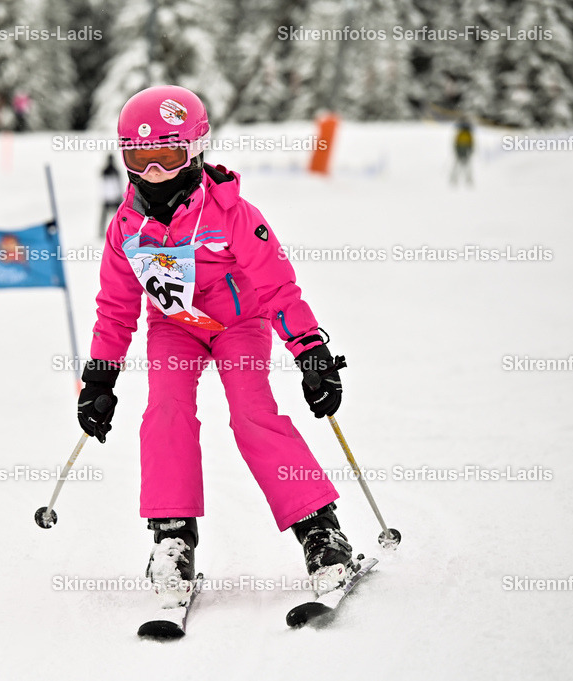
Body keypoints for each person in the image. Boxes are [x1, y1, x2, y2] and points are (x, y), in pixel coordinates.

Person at [76, 85, 354, 609]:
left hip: (238, 323)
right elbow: (115, 308)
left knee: (252, 412)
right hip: (175, 327)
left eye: (167, 156)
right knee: (164, 410)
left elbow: (277, 287)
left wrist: (310, 349)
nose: (152, 172)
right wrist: (98, 380)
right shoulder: (126, 227)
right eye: (139, 158)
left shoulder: (231, 214)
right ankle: (173, 538)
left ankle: (320, 531)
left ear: (196, 151)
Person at [98, 154, 122, 239]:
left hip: (112, 197)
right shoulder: (107, 171)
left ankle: (120, 231)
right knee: (106, 217)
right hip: (110, 197)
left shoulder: (112, 171)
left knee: (120, 217)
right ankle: (101, 232)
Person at [451, 119, 474, 187]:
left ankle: (468, 178)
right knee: (459, 164)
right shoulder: (462, 133)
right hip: (461, 149)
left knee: (466, 164)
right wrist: (456, 149)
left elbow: (471, 143)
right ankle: (455, 178)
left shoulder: (467, 133)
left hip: (464, 149)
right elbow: (456, 142)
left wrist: (470, 149)